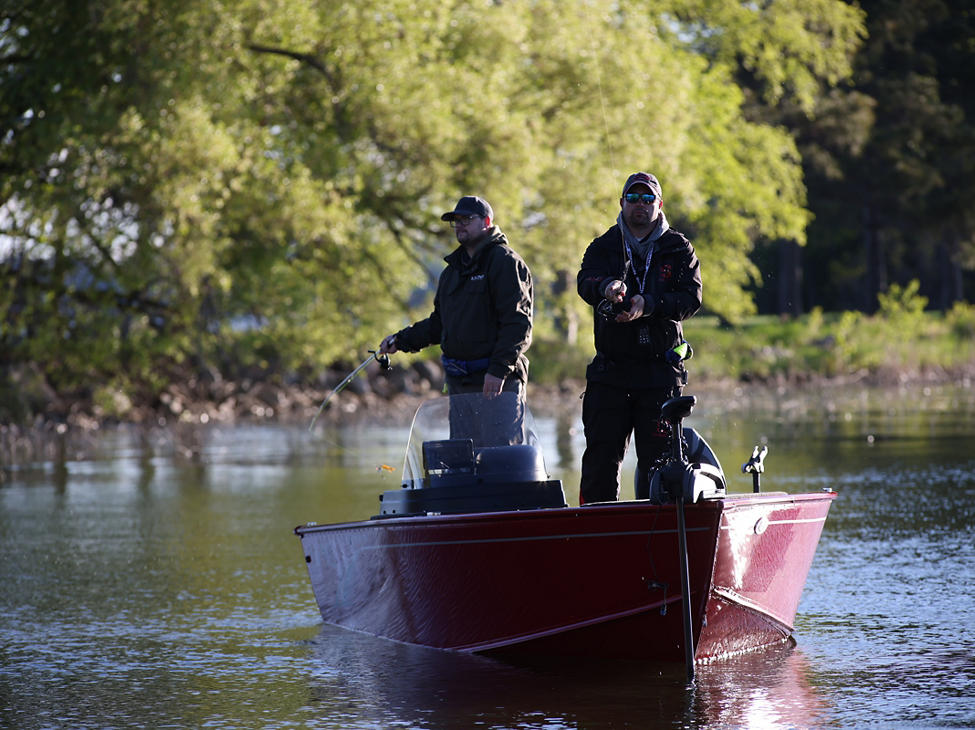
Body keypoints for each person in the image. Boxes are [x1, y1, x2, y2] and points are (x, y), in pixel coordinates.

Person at [576, 172, 702, 504]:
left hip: (659, 374)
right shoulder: (603, 245)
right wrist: (606, 287)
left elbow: (691, 299)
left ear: (658, 206)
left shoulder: (678, 248)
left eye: (648, 200)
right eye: (633, 199)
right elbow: (584, 281)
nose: (640, 206)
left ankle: (656, 537)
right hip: (610, 373)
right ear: (622, 203)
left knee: (657, 467)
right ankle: (597, 536)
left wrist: (649, 305)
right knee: (600, 463)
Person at [379, 195, 533, 444]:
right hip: (460, 385)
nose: (459, 225)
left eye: (466, 219)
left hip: (497, 383)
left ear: (486, 221)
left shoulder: (505, 262)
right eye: (455, 221)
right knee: (465, 460)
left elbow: (518, 324)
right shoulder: (452, 272)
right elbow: (440, 324)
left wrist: (498, 370)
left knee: (502, 459)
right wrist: (401, 340)